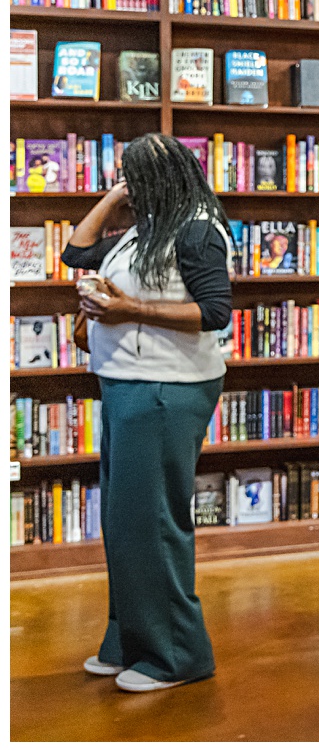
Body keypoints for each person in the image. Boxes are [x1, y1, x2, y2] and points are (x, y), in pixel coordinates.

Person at [62, 133, 234, 693]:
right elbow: (76, 251)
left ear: (158, 179)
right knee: (124, 521)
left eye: (132, 176)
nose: (126, 186)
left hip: (166, 389)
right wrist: (114, 198)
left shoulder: (198, 229)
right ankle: (130, 639)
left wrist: (126, 307)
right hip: (127, 385)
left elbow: (214, 312)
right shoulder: (146, 225)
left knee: (156, 524)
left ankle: (178, 655)